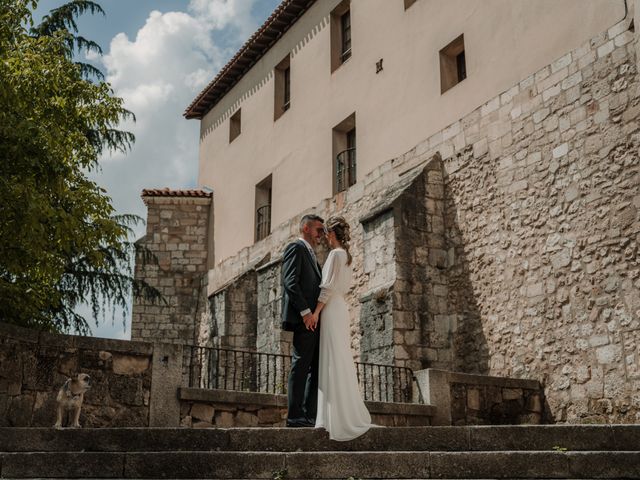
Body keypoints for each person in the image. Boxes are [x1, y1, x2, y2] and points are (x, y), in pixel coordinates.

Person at [311, 216, 372, 441]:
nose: (325, 236)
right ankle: (334, 415)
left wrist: (316, 312)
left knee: (332, 359)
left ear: (332, 233)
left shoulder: (335, 255)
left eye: (327, 232)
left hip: (330, 309)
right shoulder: (346, 256)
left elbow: (326, 288)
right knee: (339, 358)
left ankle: (333, 418)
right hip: (341, 308)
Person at [281, 214, 325, 427]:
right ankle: (294, 415)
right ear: (306, 228)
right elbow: (290, 282)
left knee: (315, 367)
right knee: (301, 365)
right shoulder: (296, 248)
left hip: (314, 321)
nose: (321, 235)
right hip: (304, 319)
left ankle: (309, 414)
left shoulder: (312, 255)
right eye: (319, 230)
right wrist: (306, 313)